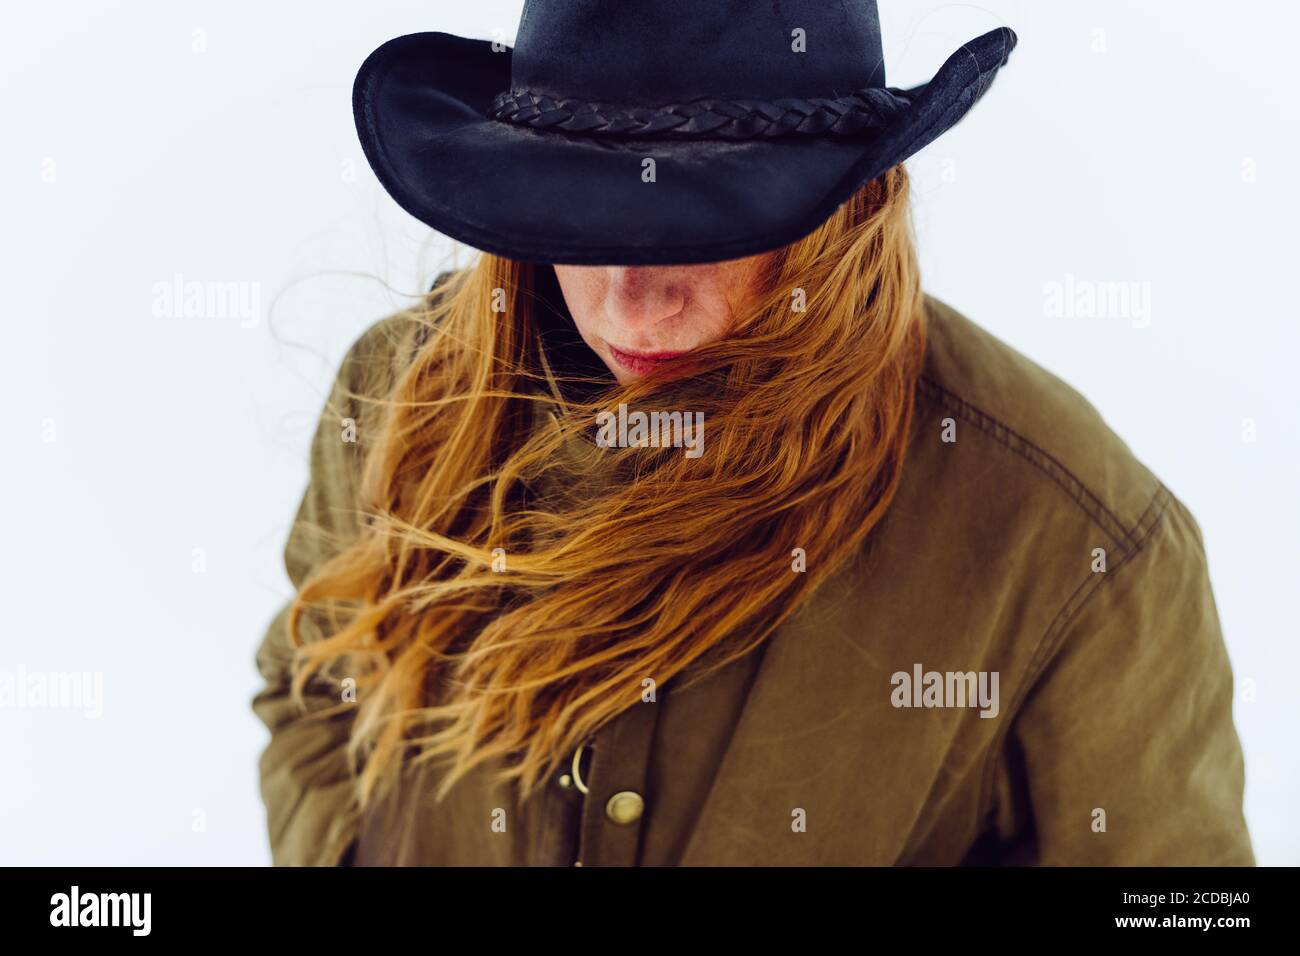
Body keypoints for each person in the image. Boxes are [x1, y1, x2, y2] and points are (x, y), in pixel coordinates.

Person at [252, 0, 1253, 866]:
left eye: (706, 219)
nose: (630, 308)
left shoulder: (1075, 543)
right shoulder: (396, 395)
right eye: (573, 211)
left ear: (847, 206)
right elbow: (312, 690)